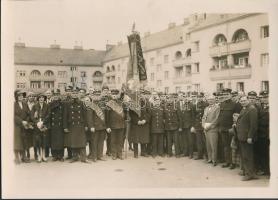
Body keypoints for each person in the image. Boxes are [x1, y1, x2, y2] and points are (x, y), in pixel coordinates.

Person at [63, 89, 90, 163]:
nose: (74, 94)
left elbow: (85, 115)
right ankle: (74, 157)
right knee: (73, 142)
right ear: (71, 94)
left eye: (76, 93)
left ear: (78, 94)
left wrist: (86, 125)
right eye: (73, 93)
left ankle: (83, 158)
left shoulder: (81, 103)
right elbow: (65, 116)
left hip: (80, 125)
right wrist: (65, 127)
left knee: (82, 142)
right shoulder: (68, 104)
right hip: (72, 125)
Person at [236, 95, 258, 181]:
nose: (242, 102)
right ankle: (247, 171)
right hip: (242, 136)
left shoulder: (252, 109)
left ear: (248, 100)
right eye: (241, 101)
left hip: (247, 137)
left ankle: (249, 174)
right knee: (244, 155)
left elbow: (253, 125)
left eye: (244, 100)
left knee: (247, 156)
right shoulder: (244, 108)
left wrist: (250, 137)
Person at [218, 88, 241, 169]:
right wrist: (220, 127)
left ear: (230, 95)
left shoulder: (235, 104)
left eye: (227, 94)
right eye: (224, 94)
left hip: (231, 129)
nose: (225, 96)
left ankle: (233, 163)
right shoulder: (222, 104)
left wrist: (233, 127)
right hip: (223, 128)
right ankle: (227, 162)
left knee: (232, 147)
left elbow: (237, 117)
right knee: (225, 146)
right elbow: (220, 116)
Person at [86, 89, 107, 162]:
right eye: (96, 95)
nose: (97, 96)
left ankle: (100, 155)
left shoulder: (103, 104)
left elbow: (105, 116)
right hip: (94, 126)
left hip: (102, 126)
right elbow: (89, 117)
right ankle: (94, 156)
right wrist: (91, 126)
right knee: (94, 142)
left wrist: (105, 126)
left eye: (99, 94)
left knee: (101, 142)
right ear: (93, 96)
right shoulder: (91, 104)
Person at [106, 89, 126, 160]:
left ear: (118, 95)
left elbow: (125, 114)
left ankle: (119, 154)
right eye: (113, 94)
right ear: (111, 95)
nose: (114, 96)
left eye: (115, 95)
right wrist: (107, 126)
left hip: (121, 125)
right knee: (113, 141)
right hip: (112, 125)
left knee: (120, 141)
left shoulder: (121, 103)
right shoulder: (109, 104)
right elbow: (107, 116)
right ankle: (114, 154)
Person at [129, 94, 150, 158]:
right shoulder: (133, 104)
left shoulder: (147, 103)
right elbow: (131, 114)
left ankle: (143, 152)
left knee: (143, 139)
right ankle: (135, 153)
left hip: (144, 124)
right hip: (136, 124)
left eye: (142, 94)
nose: (141, 96)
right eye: (140, 95)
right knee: (136, 139)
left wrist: (145, 120)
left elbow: (149, 113)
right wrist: (137, 121)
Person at [31, 93, 50, 162]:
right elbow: (32, 116)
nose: (41, 99)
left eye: (42, 97)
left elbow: (49, 115)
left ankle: (43, 155)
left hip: (44, 125)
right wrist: (37, 123)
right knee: (38, 141)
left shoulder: (47, 106)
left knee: (44, 141)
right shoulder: (34, 106)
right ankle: (39, 155)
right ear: (38, 99)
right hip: (37, 126)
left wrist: (43, 122)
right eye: (40, 97)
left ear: (44, 98)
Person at [202, 95, 220, 166]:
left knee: (213, 145)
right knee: (208, 144)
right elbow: (203, 117)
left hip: (213, 129)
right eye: (209, 100)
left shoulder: (217, 107)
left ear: (215, 100)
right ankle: (209, 159)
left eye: (212, 99)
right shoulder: (206, 108)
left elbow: (217, 119)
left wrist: (210, 126)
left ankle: (214, 160)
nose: (210, 101)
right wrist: (203, 125)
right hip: (206, 128)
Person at [255, 91, 270, 176]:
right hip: (260, 133)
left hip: (267, 133)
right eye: (262, 97)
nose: (263, 99)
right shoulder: (259, 107)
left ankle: (268, 171)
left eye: (265, 97)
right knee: (262, 152)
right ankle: (264, 169)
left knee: (268, 154)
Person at [14, 90, 30, 164]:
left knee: (24, 141)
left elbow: (28, 114)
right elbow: (14, 115)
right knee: (17, 141)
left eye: (22, 95)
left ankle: (24, 156)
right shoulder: (13, 104)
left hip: (24, 125)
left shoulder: (25, 104)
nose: (21, 97)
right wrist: (21, 121)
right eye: (19, 95)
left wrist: (26, 121)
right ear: (16, 96)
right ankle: (17, 157)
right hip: (17, 125)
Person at [48, 89, 65, 161]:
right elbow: (48, 116)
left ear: (59, 95)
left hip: (60, 125)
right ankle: (54, 155)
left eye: (57, 94)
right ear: (52, 96)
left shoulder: (62, 104)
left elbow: (64, 116)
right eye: (54, 95)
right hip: (53, 125)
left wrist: (64, 126)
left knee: (60, 141)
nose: (56, 96)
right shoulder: (50, 104)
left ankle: (61, 156)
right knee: (53, 141)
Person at [177, 92, 195, 157]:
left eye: (186, 97)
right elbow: (181, 116)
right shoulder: (182, 105)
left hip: (189, 126)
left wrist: (193, 126)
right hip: (183, 126)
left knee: (190, 140)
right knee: (184, 140)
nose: (185, 98)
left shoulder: (191, 105)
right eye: (184, 97)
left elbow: (193, 116)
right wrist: (180, 126)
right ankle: (186, 152)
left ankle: (191, 153)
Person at [191, 92, 208, 160]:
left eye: (201, 97)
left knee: (205, 141)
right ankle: (200, 155)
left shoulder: (206, 104)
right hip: (197, 125)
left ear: (203, 97)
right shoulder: (195, 105)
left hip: (204, 125)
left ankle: (206, 155)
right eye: (198, 97)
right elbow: (194, 116)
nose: (199, 98)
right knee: (199, 141)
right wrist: (194, 125)